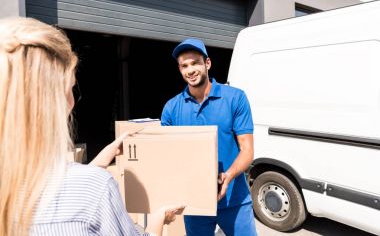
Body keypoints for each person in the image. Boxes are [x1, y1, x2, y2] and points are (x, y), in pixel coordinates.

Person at [0, 17, 183, 236]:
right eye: (71, 89)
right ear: (56, 102)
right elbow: (79, 193)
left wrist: (106, 154)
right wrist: (158, 218)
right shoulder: (95, 190)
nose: (73, 100)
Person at [161, 38, 258, 236]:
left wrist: (228, 176)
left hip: (234, 199)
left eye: (195, 63)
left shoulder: (235, 98)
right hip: (195, 201)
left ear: (207, 63)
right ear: (180, 70)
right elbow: (169, 157)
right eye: (184, 66)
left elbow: (247, 150)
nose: (190, 70)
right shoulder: (171, 108)